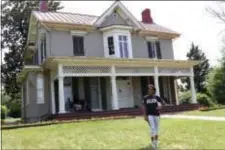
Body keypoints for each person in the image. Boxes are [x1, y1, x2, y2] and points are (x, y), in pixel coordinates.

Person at [142, 84, 166, 149]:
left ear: (153, 90)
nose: (149, 90)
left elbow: (163, 103)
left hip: (157, 115)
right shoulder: (145, 98)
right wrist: (145, 115)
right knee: (152, 128)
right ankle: (153, 143)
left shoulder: (156, 97)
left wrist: (160, 107)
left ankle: (156, 141)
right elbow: (144, 107)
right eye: (148, 89)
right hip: (149, 115)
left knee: (157, 129)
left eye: (151, 89)